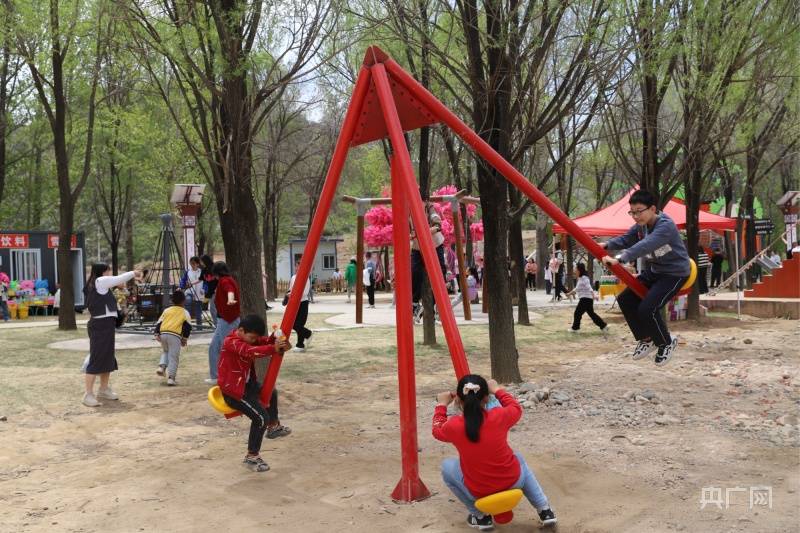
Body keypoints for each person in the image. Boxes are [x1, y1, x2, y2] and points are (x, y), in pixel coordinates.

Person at [433, 374, 557, 530]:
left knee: (447, 466)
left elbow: (437, 429)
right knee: (518, 458)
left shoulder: (453, 426)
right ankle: (545, 510)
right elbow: (515, 408)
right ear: (486, 398)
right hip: (513, 482)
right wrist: (497, 389)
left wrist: (441, 405)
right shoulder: (499, 415)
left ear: (458, 400)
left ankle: (480, 517)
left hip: (478, 491)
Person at [600, 189, 690, 366]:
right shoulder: (641, 225)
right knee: (625, 299)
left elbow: (646, 245)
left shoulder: (665, 226)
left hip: (674, 274)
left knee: (647, 309)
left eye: (639, 211)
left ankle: (666, 342)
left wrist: (620, 258)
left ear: (653, 209)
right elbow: (627, 239)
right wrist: (607, 244)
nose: (635, 216)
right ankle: (647, 338)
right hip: (655, 271)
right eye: (632, 212)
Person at [218, 314, 292, 472]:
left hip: (247, 386)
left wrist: (275, 339)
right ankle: (251, 456)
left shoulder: (248, 338)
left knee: (271, 392)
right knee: (260, 418)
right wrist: (273, 348)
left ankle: (273, 427)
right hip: (234, 391)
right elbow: (250, 351)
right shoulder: (231, 342)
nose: (254, 340)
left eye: (255, 338)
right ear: (241, 330)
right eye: (252, 337)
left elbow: (262, 342)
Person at [82, 264, 137, 407]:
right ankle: (88, 394)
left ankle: (103, 389)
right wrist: (133, 273)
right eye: (108, 270)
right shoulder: (100, 281)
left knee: (107, 357)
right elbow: (118, 279)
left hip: (106, 325)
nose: (110, 273)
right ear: (102, 272)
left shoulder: (100, 285)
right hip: (100, 325)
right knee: (97, 358)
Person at [206, 262, 240, 384]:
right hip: (224, 320)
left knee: (226, 349)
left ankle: (229, 377)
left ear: (217, 272)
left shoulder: (225, 280)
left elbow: (230, 290)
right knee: (214, 348)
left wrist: (230, 299)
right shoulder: (226, 280)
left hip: (228, 321)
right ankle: (216, 377)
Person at [411, 204, 447, 319]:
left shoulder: (429, 208)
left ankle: (437, 304)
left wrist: (424, 231)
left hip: (435, 245)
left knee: (440, 271)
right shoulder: (408, 211)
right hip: (418, 247)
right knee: (415, 273)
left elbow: (437, 224)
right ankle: (415, 304)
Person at [154, 290, 192, 386]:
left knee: (166, 351)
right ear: (184, 301)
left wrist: (156, 333)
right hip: (175, 335)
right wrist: (184, 339)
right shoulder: (185, 312)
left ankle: (161, 367)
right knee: (174, 357)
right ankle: (171, 378)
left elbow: (159, 322)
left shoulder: (167, 310)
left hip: (163, 333)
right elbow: (188, 327)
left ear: (172, 300)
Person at [565, 263, 608, 334]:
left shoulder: (584, 278)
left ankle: (575, 328)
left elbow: (590, 288)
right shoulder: (581, 278)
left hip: (585, 299)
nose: (574, 270)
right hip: (587, 299)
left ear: (579, 270)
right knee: (592, 314)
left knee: (577, 313)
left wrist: (594, 296)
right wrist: (569, 293)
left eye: (575, 268)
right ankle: (603, 326)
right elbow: (577, 289)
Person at [289, 260, 312, 352]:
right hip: (294, 303)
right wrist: (289, 295)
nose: (297, 268)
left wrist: (293, 294)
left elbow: (305, 292)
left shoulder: (306, 278)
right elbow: (290, 289)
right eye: (296, 266)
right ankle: (301, 344)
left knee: (298, 325)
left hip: (303, 303)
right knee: (294, 324)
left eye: (299, 266)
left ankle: (306, 337)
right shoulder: (293, 277)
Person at [181, 256, 205, 327]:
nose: (192, 265)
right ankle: (187, 325)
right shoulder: (188, 272)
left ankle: (199, 327)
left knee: (198, 311)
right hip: (190, 291)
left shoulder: (202, 272)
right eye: (191, 263)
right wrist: (180, 287)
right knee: (188, 302)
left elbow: (205, 282)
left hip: (199, 292)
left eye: (193, 263)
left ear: (198, 264)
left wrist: (204, 289)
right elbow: (183, 280)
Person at [200, 255, 218, 326]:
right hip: (209, 292)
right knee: (213, 309)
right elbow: (201, 279)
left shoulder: (214, 268)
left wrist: (217, 289)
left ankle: (217, 325)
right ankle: (216, 324)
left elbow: (218, 280)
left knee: (213, 309)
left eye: (201, 261)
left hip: (215, 291)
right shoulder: (204, 269)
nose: (201, 263)